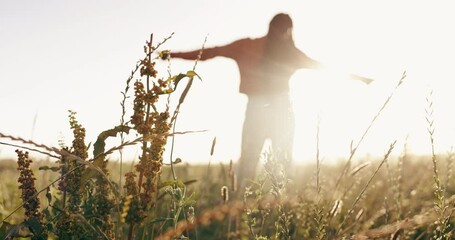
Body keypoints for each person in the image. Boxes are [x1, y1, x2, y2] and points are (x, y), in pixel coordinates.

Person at [170, 13, 373, 189]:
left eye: (285, 30)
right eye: (282, 29)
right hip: (273, 108)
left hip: (276, 109)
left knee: (269, 161)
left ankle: (259, 207)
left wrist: (358, 77)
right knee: (270, 161)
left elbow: (322, 67)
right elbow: (209, 52)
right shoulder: (261, 47)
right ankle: (246, 208)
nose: (283, 33)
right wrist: (172, 54)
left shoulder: (270, 49)